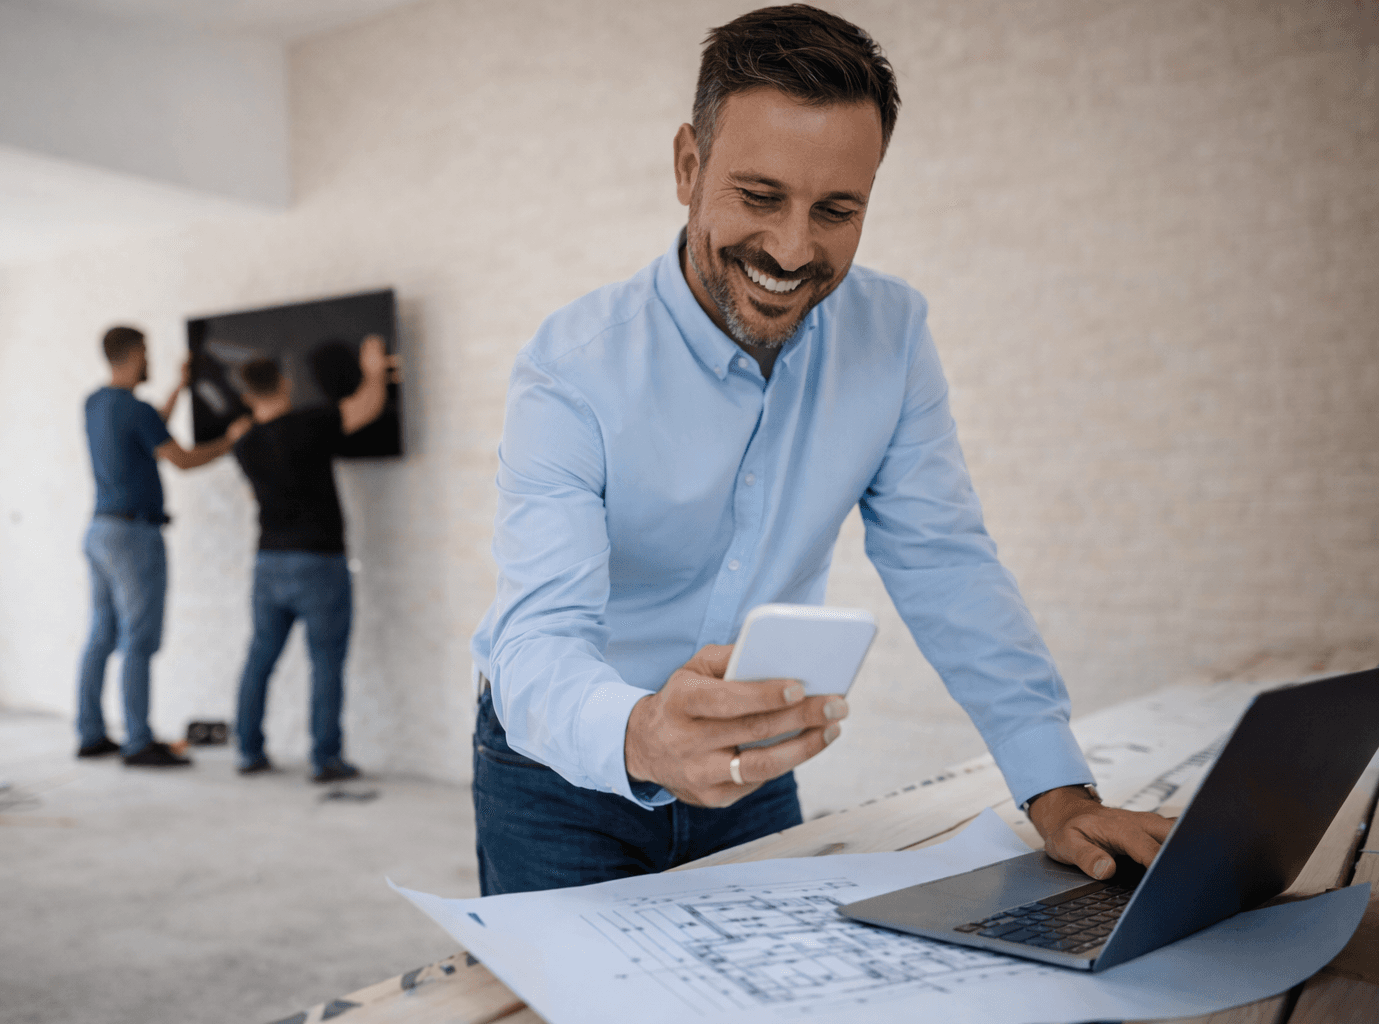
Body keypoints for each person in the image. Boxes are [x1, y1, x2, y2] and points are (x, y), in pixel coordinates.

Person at [470, 4, 1172, 895]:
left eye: (836, 210)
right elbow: (536, 637)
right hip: (558, 764)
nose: (793, 249)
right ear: (689, 166)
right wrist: (644, 733)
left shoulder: (893, 336)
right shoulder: (570, 369)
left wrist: (1057, 792)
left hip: (751, 757)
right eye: (759, 197)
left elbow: (946, 564)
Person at [78, 326, 249, 766]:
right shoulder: (137, 411)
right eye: (147, 352)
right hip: (135, 537)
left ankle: (91, 734)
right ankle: (138, 741)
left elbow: (151, 431)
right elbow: (182, 459)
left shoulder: (96, 404)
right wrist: (232, 441)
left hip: (100, 531)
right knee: (138, 640)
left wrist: (178, 388)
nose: (150, 360)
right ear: (134, 354)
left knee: (102, 636)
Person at [230, 335, 396, 783]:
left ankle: (248, 751)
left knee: (260, 658)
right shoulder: (311, 422)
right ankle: (326, 759)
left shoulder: (244, 445)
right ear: (284, 384)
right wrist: (374, 370)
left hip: (268, 561)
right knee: (324, 662)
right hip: (318, 561)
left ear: (247, 397)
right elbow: (368, 406)